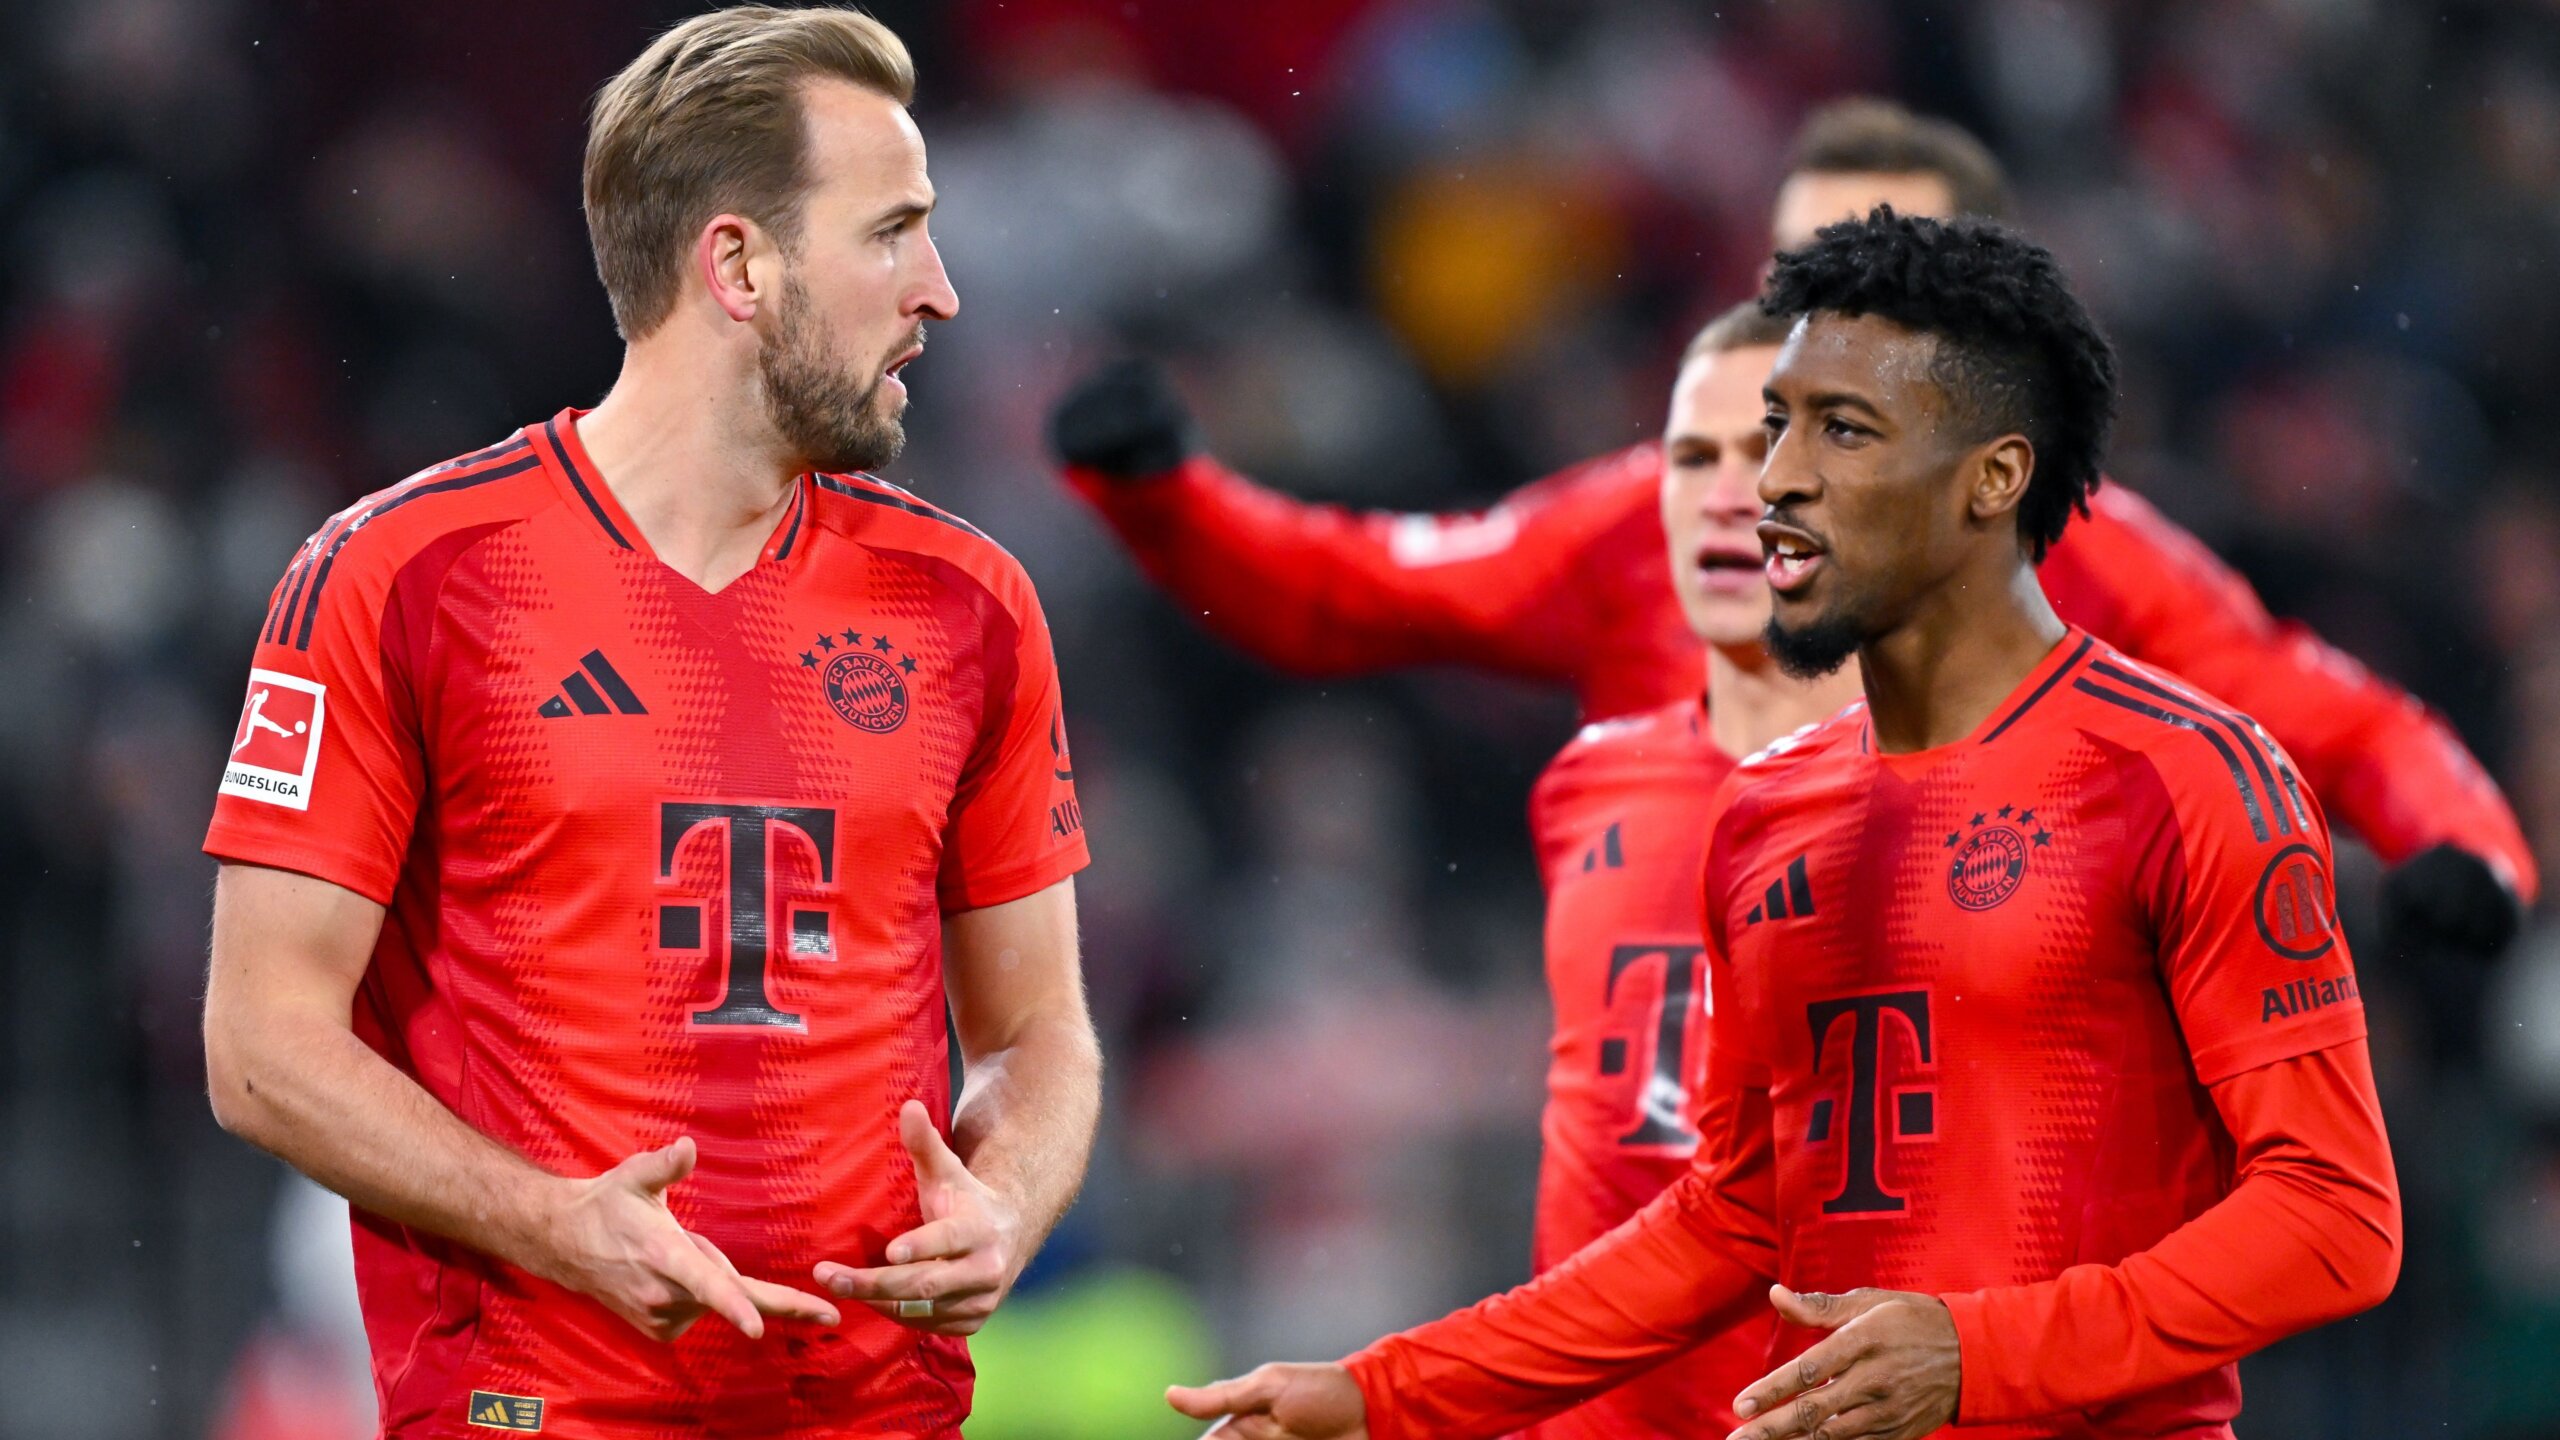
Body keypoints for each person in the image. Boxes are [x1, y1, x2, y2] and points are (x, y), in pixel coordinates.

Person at [1169, 209, 2403, 1440]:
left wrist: (1980, 1355)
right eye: (1776, 428)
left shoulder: (2184, 775)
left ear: (1993, 478)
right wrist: (1379, 1394)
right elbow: (1731, 1218)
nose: (1774, 482)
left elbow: (2335, 1217)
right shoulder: (1764, 812)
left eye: (1842, 430)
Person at [1048, 97, 2536, 962]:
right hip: (1670, 1219)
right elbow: (1346, 591)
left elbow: (2340, 726)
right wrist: (1166, 494)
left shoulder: (2095, 555)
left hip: (1957, 1217)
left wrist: (2460, 847)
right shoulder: (1648, 517)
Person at [200, 9, 1100, 1437]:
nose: (939, 292)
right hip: (534, 1405)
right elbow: (259, 1045)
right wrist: (552, 1224)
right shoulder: (402, 577)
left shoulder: (968, 604)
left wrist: (1005, 1204)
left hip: (877, 1411)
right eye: (891, 234)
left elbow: (1040, 1027)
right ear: (736, 266)